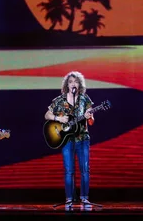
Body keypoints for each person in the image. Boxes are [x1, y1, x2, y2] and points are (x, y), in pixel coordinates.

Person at [44, 71, 95, 209]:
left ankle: (84, 198)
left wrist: (89, 117)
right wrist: (58, 119)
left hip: (83, 138)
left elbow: (91, 122)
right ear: (67, 84)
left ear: (80, 84)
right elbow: (47, 114)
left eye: (76, 81)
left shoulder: (85, 99)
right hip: (67, 140)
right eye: (71, 81)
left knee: (85, 169)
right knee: (69, 170)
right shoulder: (59, 100)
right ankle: (69, 199)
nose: (73, 84)